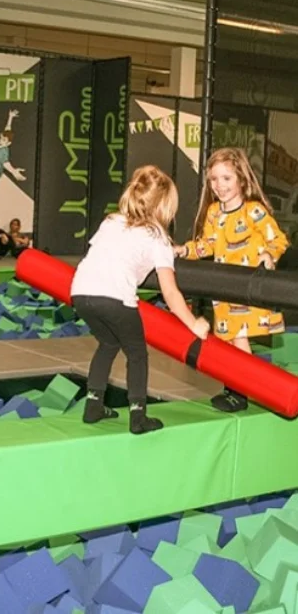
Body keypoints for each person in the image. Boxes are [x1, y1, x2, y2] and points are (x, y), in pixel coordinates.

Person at [71, 165, 210, 435]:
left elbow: (112, 253)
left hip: (80, 292)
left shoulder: (111, 221)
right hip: (115, 298)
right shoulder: (156, 236)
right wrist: (193, 324)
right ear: (163, 208)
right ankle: (138, 416)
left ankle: (93, 405)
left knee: (108, 343)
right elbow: (170, 292)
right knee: (137, 354)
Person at [174, 147, 288, 413]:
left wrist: (269, 256)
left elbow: (278, 239)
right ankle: (238, 389)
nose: (219, 185)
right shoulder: (214, 213)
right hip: (224, 293)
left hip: (247, 290)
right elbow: (207, 245)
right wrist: (185, 250)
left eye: (226, 178)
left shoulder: (254, 211)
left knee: (239, 342)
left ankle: (241, 392)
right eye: (214, 179)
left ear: (241, 180)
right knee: (229, 342)